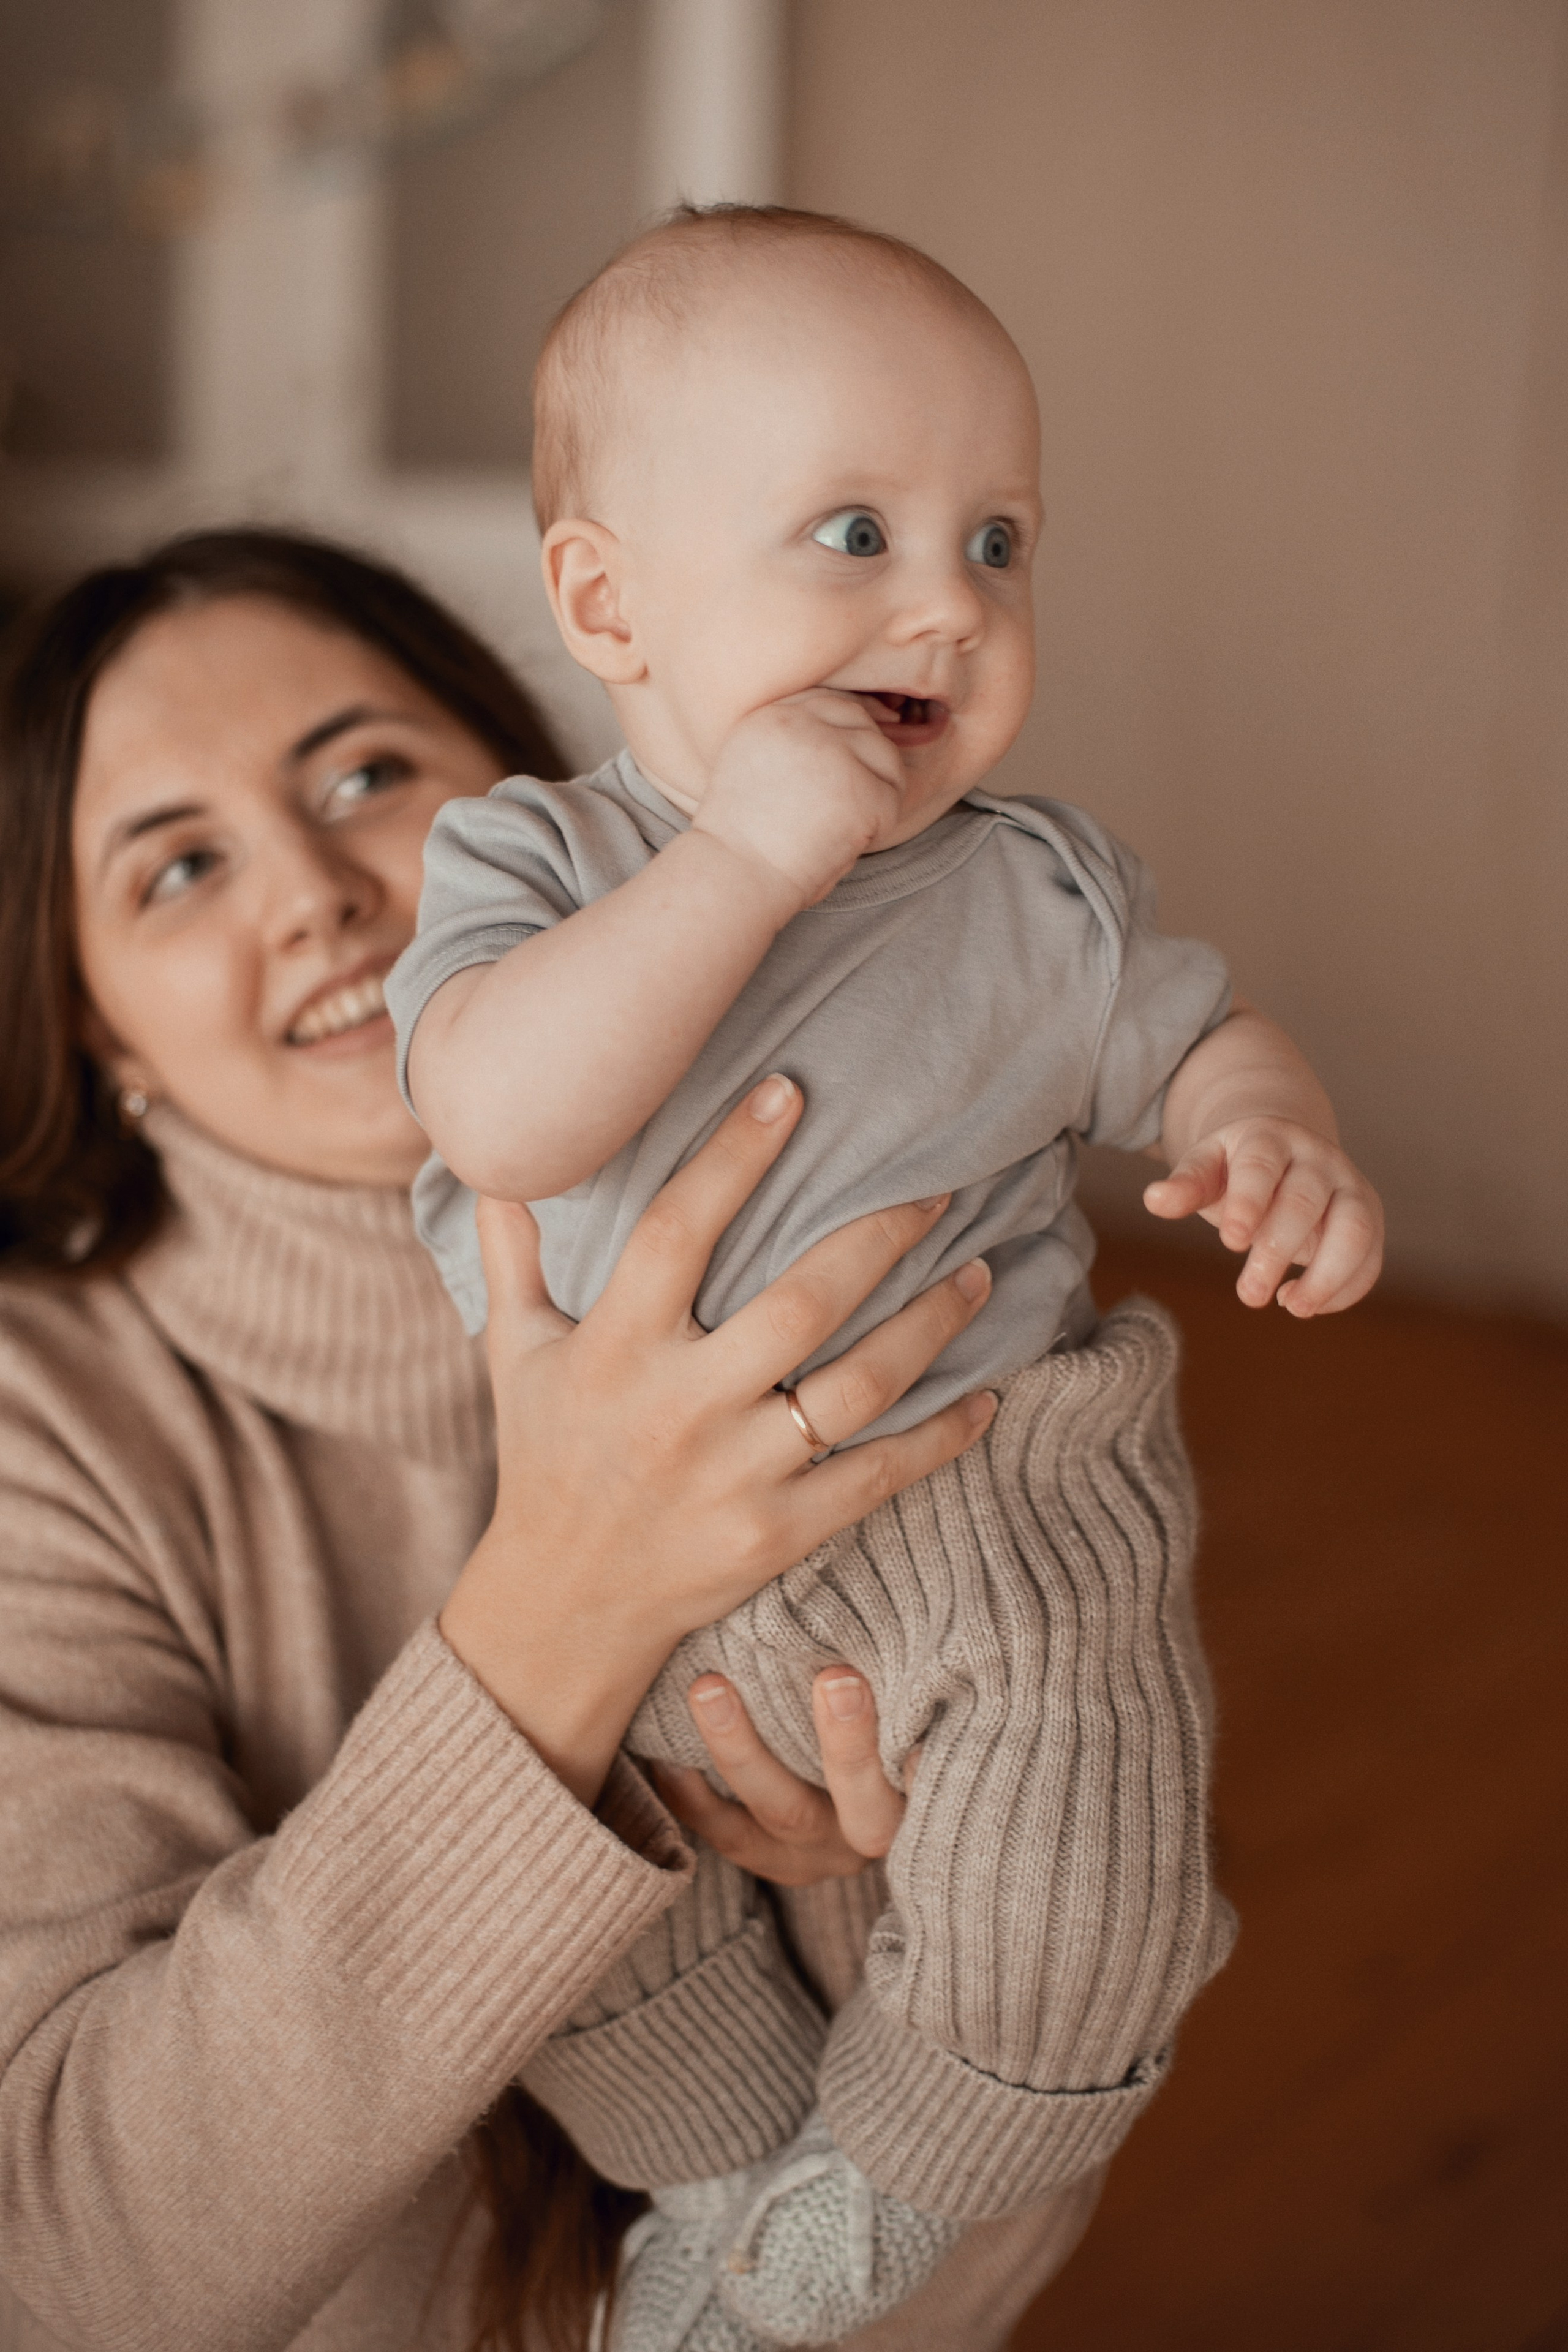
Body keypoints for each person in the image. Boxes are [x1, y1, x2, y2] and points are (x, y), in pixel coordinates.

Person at [389, 207, 1385, 2351]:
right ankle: (730, 2181)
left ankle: (881, 2197)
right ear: (607, 601)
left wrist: (1271, 1126)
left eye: (1001, 541)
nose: (949, 599)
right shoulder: (537, 865)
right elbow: (501, 1115)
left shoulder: (1033, 886)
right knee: (570, 1926)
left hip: (996, 1511)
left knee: (1086, 1898)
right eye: (855, 530)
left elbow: (1193, 1036)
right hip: (621, 1561)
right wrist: (749, 860)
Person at [0, 527, 1048, 2352]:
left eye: (366, 773)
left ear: (545, 814)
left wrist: (884, 1895)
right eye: (177, 868)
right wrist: (569, 1610)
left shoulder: (853, 1232)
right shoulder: (40, 1427)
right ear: (99, 1029)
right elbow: (69, 2266)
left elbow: (989, 2235)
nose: (318, 893)